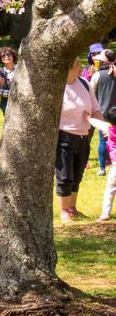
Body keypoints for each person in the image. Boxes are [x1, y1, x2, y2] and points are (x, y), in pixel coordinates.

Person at [57, 59, 103, 222]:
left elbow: (96, 109)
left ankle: (72, 208)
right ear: (68, 68)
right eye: (77, 64)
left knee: (78, 174)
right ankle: (64, 211)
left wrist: (102, 125)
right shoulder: (59, 86)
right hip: (64, 136)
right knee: (65, 175)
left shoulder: (84, 83)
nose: (82, 66)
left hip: (84, 136)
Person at [91, 51, 116, 177]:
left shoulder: (98, 75)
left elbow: (91, 91)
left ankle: (102, 168)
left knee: (103, 140)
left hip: (103, 112)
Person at [0, 46, 17, 123]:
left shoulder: (21, 68)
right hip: (6, 101)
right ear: (1, 59)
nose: (6, 57)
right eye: (3, 55)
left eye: (9, 54)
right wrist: (13, 94)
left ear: (13, 56)